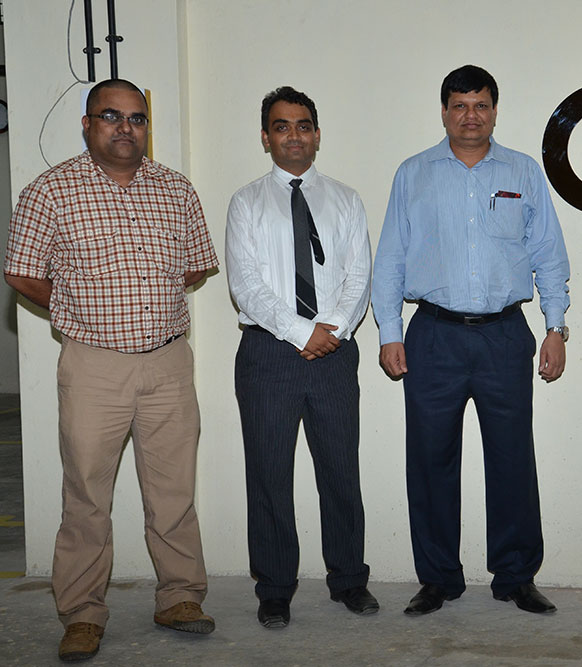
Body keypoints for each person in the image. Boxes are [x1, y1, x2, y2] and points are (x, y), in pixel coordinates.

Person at [3, 78, 218, 662]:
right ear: (87, 124)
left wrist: (147, 304)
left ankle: (180, 597)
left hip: (168, 364)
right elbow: (21, 272)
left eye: (137, 118)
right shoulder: (50, 190)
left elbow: (196, 266)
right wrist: (80, 308)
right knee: (86, 497)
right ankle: (81, 613)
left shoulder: (176, 188)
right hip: (93, 367)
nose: (126, 128)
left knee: (174, 491)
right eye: (111, 116)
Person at [372, 64, 570, 616]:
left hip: (505, 335)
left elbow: (549, 255)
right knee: (430, 461)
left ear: (494, 111)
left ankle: (516, 576)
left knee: (512, 459)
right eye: (459, 106)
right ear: (444, 112)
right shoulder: (413, 174)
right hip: (433, 335)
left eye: (480, 105)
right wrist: (389, 332)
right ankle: (438, 578)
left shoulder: (523, 171)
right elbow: (389, 259)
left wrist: (555, 327)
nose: (470, 116)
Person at [225, 87, 377, 628]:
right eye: (282, 126)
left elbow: (360, 275)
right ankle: (274, 588)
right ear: (266, 137)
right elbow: (245, 285)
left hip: (334, 353)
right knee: (269, 474)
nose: (294, 135)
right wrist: (299, 332)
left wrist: (329, 330)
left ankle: (349, 579)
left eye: (304, 125)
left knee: (341, 471)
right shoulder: (246, 202)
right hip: (268, 354)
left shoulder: (346, 199)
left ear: (317, 134)